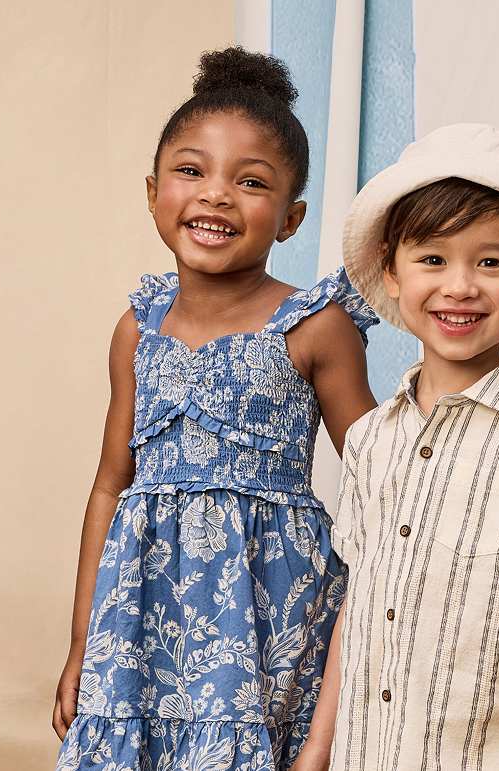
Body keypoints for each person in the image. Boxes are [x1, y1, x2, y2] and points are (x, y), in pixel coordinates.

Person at [51, 47, 378, 771]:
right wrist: (83, 639)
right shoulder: (138, 327)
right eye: (191, 170)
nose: (216, 195)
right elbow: (111, 481)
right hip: (140, 615)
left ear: (290, 218)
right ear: (152, 190)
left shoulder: (313, 325)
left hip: (266, 616)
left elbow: (381, 478)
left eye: (250, 181)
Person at [294, 124, 499, 771]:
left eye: (490, 261)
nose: (459, 286)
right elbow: (357, 605)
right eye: (432, 259)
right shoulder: (368, 440)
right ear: (390, 270)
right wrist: (318, 748)